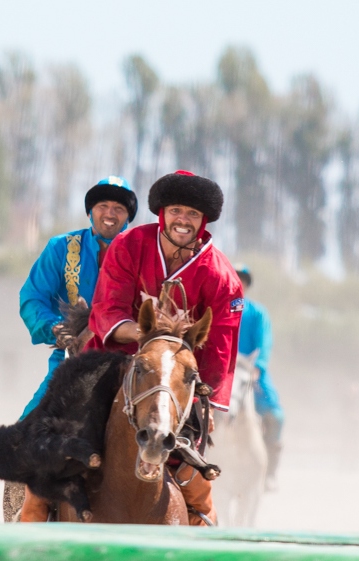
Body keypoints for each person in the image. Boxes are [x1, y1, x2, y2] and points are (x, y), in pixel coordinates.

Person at [85, 169, 243, 526]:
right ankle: (30, 515)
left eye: (192, 214)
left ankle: (202, 526)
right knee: (57, 438)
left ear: (203, 221)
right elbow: (107, 308)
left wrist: (209, 408)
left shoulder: (223, 278)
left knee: (195, 474)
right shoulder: (129, 245)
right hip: (111, 362)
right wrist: (151, 341)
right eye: (175, 211)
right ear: (162, 213)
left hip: (177, 381)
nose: (182, 220)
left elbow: (220, 349)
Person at [19, 176, 138, 418]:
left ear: (128, 217)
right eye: (102, 206)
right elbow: (33, 297)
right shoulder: (60, 247)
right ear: (89, 212)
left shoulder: (140, 252)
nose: (110, 213)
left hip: (129, 357)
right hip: (71, 356)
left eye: (119, 208)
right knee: (31, 422)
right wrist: (55, 327)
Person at [234, 265, 286, 491]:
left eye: (242, 279)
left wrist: (258, 368)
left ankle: (269, 472)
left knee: (275, 416)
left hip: (249, 371)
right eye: (234, 278)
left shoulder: (257, 313)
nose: (238, 283)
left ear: (246, 284)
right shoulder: (217, 308)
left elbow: (264, 345)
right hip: (222, 369)